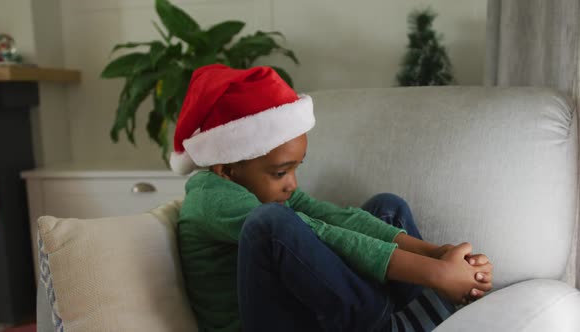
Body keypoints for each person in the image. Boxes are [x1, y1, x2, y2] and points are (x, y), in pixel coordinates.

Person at [171, 64, 493, 332]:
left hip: (310, 315)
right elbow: (323, 233)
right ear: (227, 169)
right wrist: (433, 272)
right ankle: (393, 319)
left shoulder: (263, 190)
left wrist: (438, 254)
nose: (292, 185)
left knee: (387, 208)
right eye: (281, 173)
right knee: (270, 222)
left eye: (296, 169)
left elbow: (337, 218)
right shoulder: (213, 199)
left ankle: (428, 314)